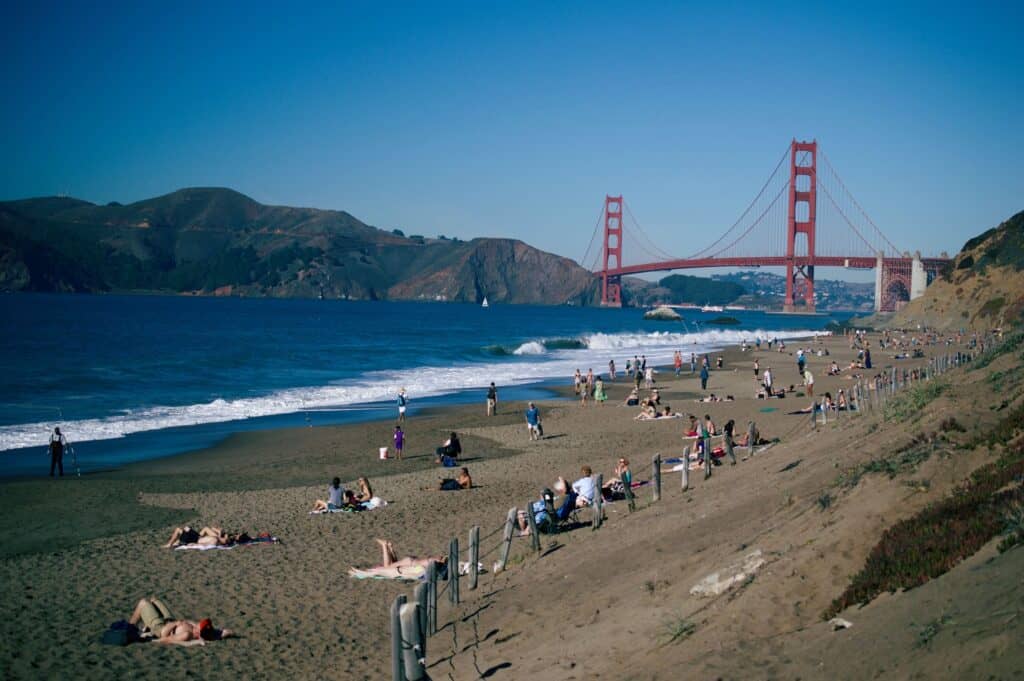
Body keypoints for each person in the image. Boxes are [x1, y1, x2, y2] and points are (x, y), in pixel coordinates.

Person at [128, 597, 233, 645]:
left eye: (199, 626)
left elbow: (166, 638)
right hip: (169, 619)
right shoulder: (203, 630)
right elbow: (228, 632)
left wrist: (149, 640)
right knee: (153, 599)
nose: (197, 624)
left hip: (160, 628)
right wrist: (220, 634)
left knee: (143, 602)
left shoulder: (186, 635)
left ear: (198, 632)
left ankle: (129, 628)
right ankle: (146, 626)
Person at [349, 539, 447, 580]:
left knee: (388, 566)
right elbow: (375, 572)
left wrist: (360, 573)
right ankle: (386, 546)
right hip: (412, 563)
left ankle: (386, 546)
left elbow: (373, 572)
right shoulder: (386, 571)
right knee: (388, 567)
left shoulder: (383, 570)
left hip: (412, 563)